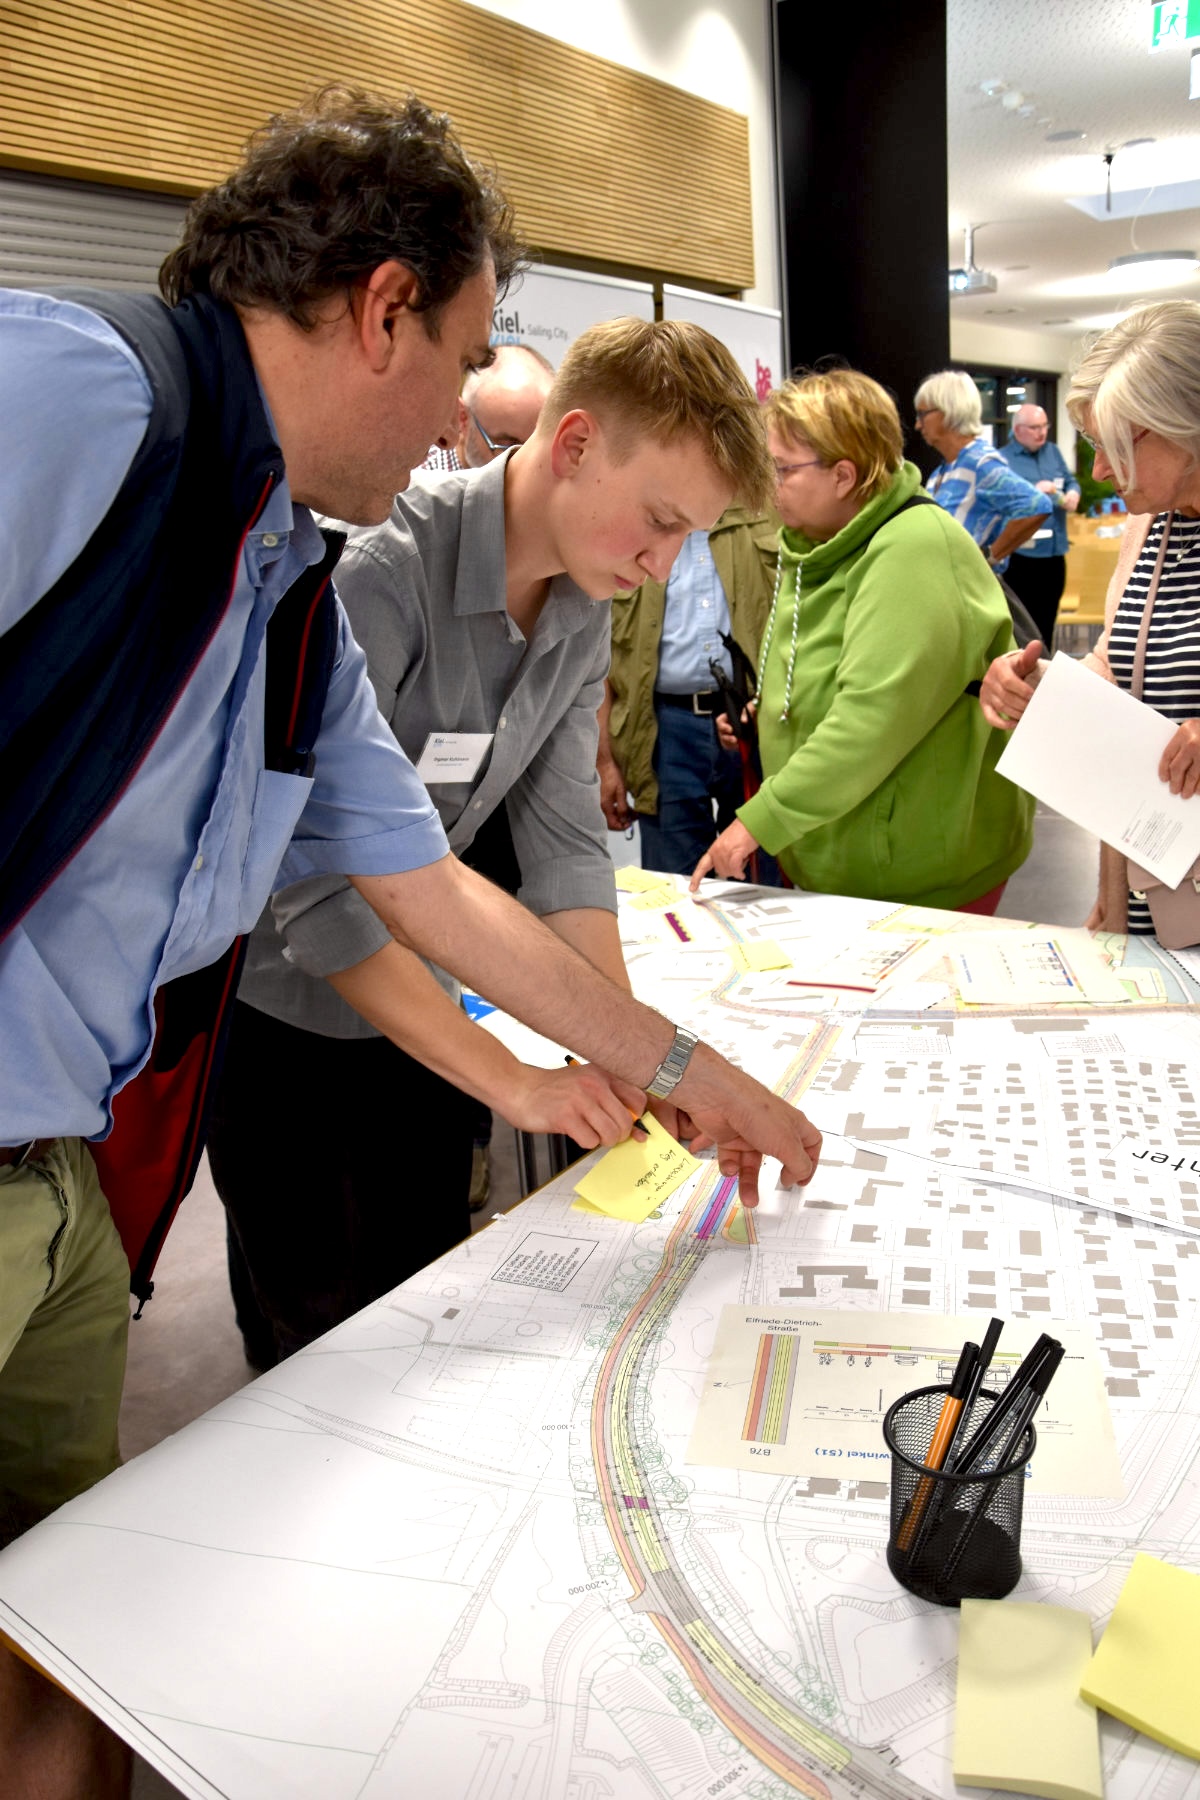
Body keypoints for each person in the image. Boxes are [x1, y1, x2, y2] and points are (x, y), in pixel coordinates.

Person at [0, 88, 822, 1796]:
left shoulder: (286, 572)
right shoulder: (76, 386)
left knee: (66, 1614)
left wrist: (674, 1068)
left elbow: (434, 886)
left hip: (69, 1173)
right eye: (461, 361)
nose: (464, 412)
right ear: (384, 309)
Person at [214, 316, 743, 1367]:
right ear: (577, 442)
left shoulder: (585, 599)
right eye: (658, 520)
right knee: (315, 1339)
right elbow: (317, 894)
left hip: (429, 1008)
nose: (662, 560)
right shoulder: (379, 570)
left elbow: (562, 852)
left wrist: (627, 1049)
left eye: (688, 536)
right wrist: (513, 1077)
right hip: (285, 1025)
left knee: (425, 1306)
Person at [689, 367, 1033, 908]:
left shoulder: (913, 547)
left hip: (918, 878)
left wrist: (759, 822)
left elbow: (872, 718)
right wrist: (773, 714)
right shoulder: (813, 545)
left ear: (844, 477)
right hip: (844, 863)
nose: (766, 484)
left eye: (781, 469)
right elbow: (823, 669)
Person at [980, 300, 1200, 936]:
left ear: (1182, 423)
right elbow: (1123, 664)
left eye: (1113, 446)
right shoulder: (1147, 528)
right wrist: (1044, 685)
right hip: (1150, 893)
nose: (1100, 471)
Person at [598, 504, 780, 874]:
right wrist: (605, 764)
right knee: (673, 887)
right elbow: (600, 659)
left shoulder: (767, 511)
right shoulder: (630, 528)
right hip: (664, 731)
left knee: (760, 882)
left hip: (756, 724)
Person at [915, 369, 1052, 571]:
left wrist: (989, 556)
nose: (918, 425)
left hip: (970, 593)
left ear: (948, 410)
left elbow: (1037, 504)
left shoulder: (980, 463)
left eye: (923, 414)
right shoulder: (943, 471)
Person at [998, 402, 1081, 646]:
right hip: (1021, 558)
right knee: (1024, 630)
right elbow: (1002, 504)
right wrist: (1033, 493)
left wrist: (1074, 492)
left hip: (1054, 556)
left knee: (1047, 625)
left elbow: (1070, 481)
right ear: (1018, 430)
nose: (1041, 432)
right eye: (1034, 427)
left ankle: (1046, 678)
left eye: (1044, 426)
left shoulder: (1052, 452)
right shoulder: (1003, 459)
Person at [421, 341, 554, 472]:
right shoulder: (412, 487)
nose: (527, 467)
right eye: (508, 448)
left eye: (539, 446)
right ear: (463, 419)